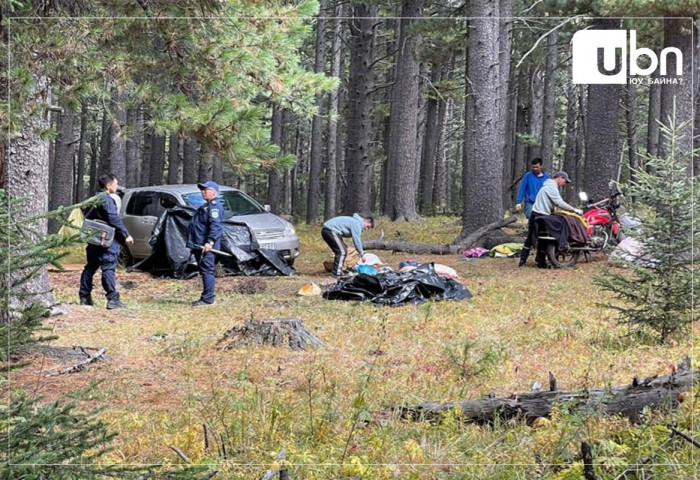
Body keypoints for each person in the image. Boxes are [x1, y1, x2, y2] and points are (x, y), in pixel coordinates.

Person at [79, 174, 134, 309]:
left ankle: (84, 297)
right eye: (115, 183)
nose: (117, 186)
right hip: (106, 239)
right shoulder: (106, 199)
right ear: (108, 186)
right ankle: (112, 299)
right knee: (108, 267)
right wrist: (126, 234)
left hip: (93, 238)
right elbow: (113, 218)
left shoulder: (93, 198)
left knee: (90, 267)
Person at [519, 171, 583, 268]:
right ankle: (534, 260)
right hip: (540, 214)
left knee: (539, 238)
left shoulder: (548, 186)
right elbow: (559, 202)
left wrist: (552, 209)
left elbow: (550, 202)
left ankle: (536, 261)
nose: (564, 184)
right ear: (559, 178)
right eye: (564, 181)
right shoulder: (551, 187)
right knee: (545, 236)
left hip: (537, 214)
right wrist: (574, 210)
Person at [186, 181, 224, 306]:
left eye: (206, 189)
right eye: (202, 190)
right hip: (199, 245)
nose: (203, 192)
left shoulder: (214, 207)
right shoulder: (206, 206)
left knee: (207, 270)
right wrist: (193, 245)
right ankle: (206, 296)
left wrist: (210, 242)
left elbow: (216, 226)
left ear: (214, 192)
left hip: (207, 246)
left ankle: (208, 299)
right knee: (204, 270)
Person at [321, 214, 374, 278]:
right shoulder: (357, 224)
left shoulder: (355, 222)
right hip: (330, 231)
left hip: (330, 231)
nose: (366, 229)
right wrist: (361, 253)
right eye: (368, 226)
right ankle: (336, 273)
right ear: (366, 221)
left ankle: (342, 269)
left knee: (344, 249)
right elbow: (357, 240)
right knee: (342, 251)